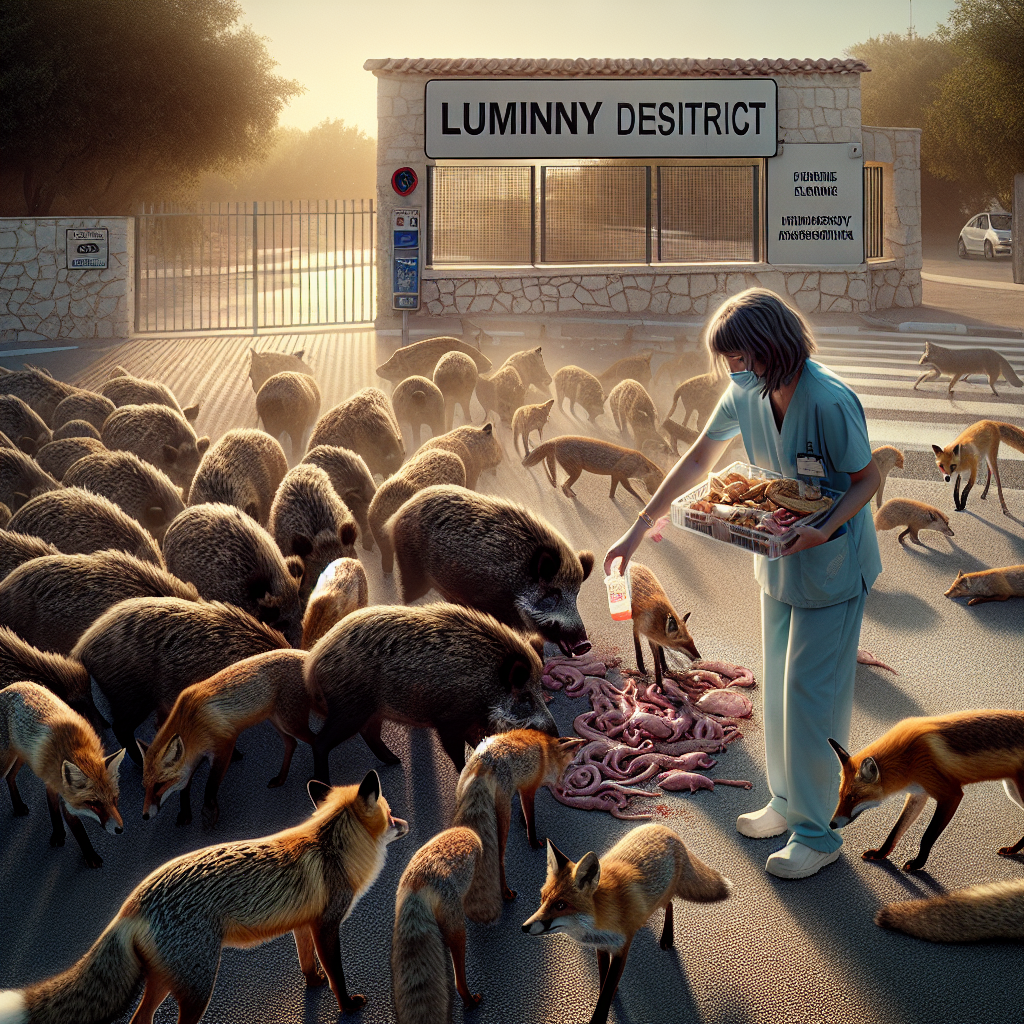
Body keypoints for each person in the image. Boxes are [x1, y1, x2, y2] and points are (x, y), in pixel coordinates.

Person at [604, 288, 882, 880]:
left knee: (811, 700)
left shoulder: (830, 401)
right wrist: (636, 529)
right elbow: (699, 460)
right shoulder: (745, 391)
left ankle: (818, 831)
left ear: (771, 345)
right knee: (780, 695)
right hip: (778, 560)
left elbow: (866, 480)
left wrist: (824, 528)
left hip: (832, 565)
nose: (731, 368)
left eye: (739, 355)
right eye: (727, 359)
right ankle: (786, 803)